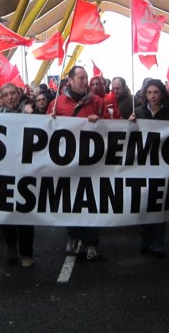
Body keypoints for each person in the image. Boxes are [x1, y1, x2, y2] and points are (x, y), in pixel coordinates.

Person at [49, 66, 108, 260]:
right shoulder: (57, 103)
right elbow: (45, 129)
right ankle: (74, 237)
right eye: (81, 78)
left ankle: (92, 243)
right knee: (71, 201)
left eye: (86, 78)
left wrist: (99, 122)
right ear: (70, 81)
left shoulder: (98, 102)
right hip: (68, 164)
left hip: (93, 163)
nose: (85, 82)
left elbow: (113, 126)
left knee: (92, 201)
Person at [129, 79, 169, 257]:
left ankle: (157, 241)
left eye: (155, 92)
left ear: (161, 94)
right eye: (149, 93)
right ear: (144, 95)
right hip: (143, 165)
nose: (152, 96)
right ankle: (145, 239)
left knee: (159, 204)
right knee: (144, 204)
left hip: (163, 165)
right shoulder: (138, 112)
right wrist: (129, 124)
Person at [0, 83, 35, 268]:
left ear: (18, 95)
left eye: (13, 93)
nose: (10, 97)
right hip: (4, 171)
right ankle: (11, 243)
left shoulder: (31, 112)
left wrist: (30, 116)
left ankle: (27, 253)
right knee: (6, 212)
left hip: (26, 171)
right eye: (6, 95)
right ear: (2, 99)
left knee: (25, 213)